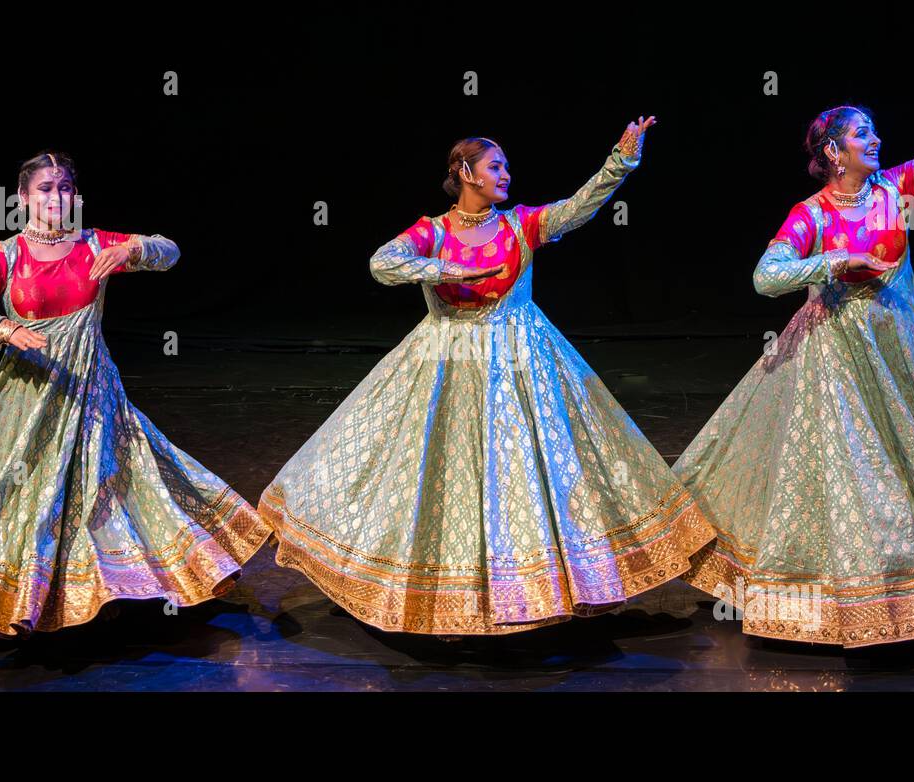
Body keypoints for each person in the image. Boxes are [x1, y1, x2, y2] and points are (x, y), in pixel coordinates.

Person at [256, 119, 715, 635]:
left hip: (521, 354)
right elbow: (383, 264)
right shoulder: (432, 231)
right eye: (495, 166)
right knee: (437, 471)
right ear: (464, 173)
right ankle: (442, 590)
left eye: (506, 166)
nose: (505, 174)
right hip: (446, 354)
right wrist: (449, 271)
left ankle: (534, 589)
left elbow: (581, 205)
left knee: (522, 473)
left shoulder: (521, 224)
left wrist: (622, 159)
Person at [673, 61, 914, 647]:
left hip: (901, 349)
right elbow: (765, 276)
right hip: (836, 358)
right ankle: (852, 597)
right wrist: (832, 263)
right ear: (833, 150)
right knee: (855, 472)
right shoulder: (812, 213)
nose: (875, 140)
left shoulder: (895, 190)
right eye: (861, 133)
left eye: (874, 132)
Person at [0, 151, 270, 637]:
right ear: (22, 198)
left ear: (75, 197)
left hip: (91, 392)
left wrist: (134, 249)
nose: (55, 197)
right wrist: (1, 329)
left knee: (104, 490)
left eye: (63, 188)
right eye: (44, 188)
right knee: (19, 492)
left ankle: (104, 590)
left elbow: (171, 250)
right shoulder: (9, 254)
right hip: (26, 394)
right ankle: (6, 593)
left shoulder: (94, 243)